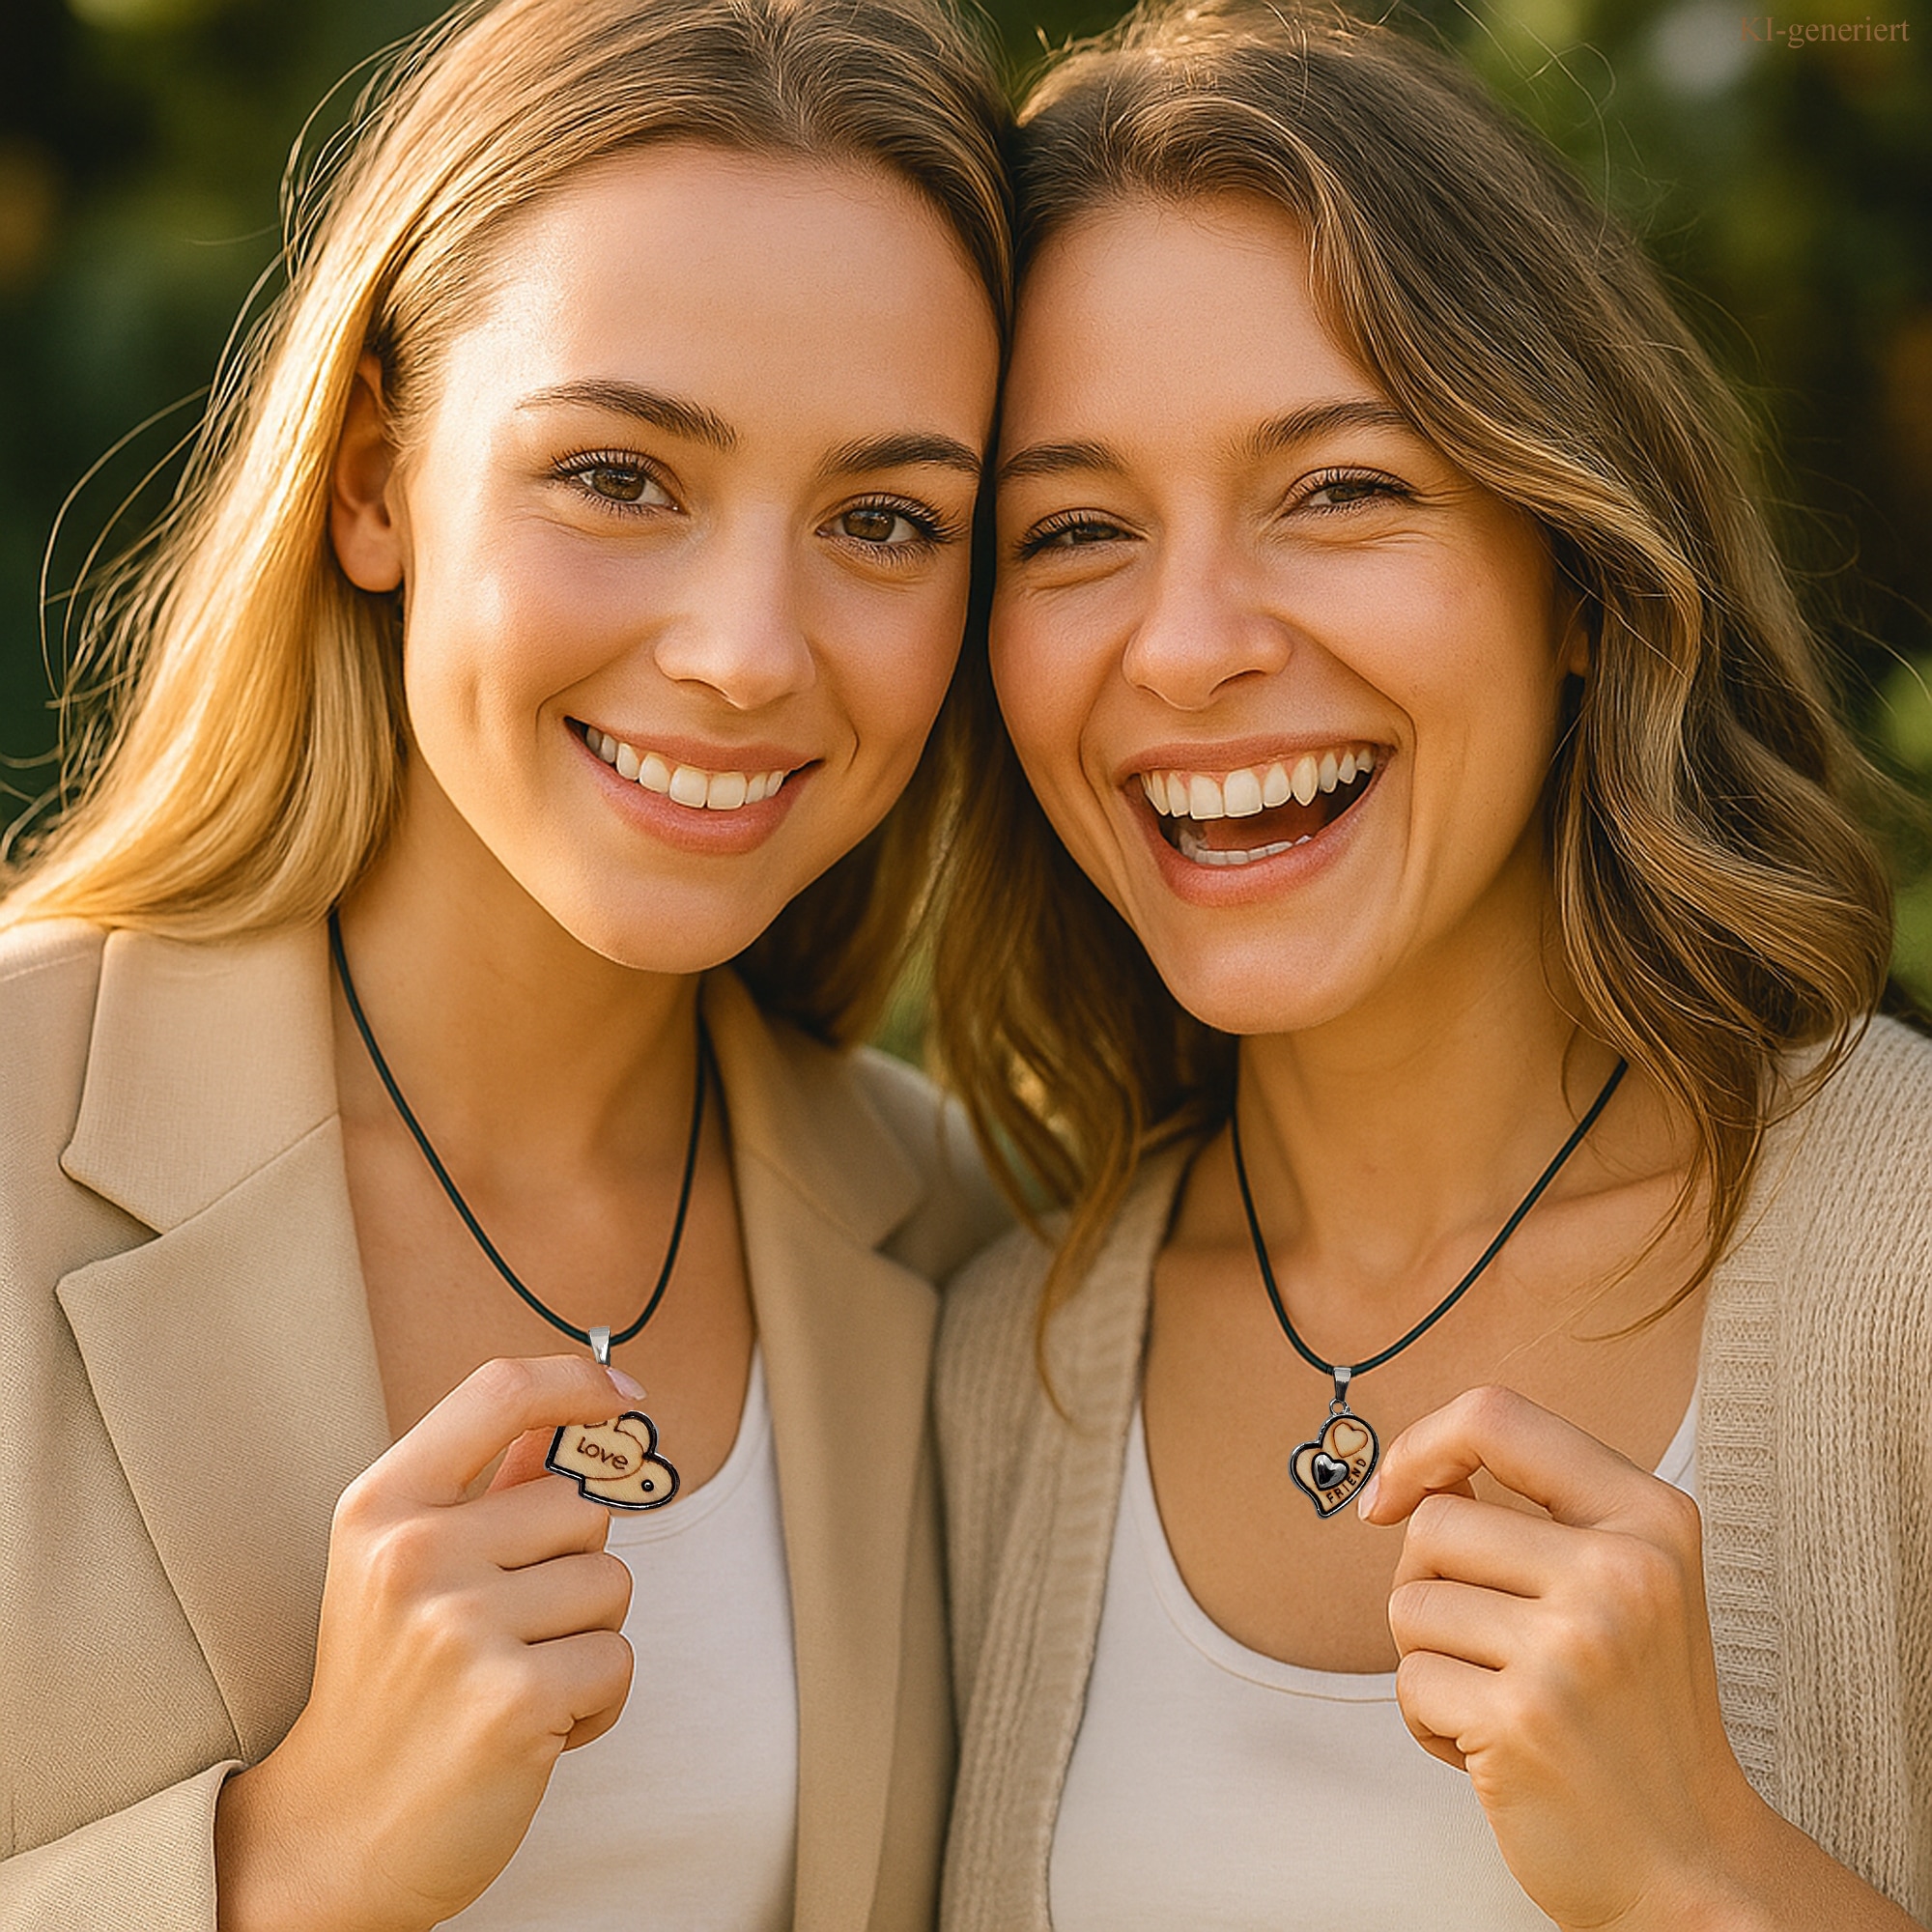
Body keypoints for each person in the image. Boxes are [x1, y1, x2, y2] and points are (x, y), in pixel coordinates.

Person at [0, 0, 1011, 1925]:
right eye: (620, 476)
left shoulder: (970, 1240)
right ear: (375, 478)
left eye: (884, 520)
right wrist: (283, 1867)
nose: (745, 651)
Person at [929, 2, 1931, 1926]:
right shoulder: (995, 1376)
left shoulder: (1907, 1273)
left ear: (1578, 575)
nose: (1189, 645)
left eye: (1340, 490)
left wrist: (1700, 1872)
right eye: (1074, 528)